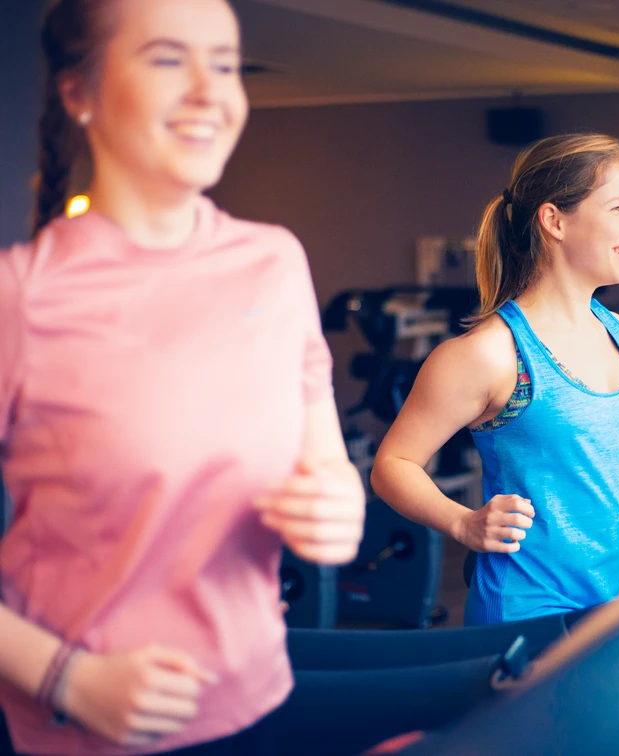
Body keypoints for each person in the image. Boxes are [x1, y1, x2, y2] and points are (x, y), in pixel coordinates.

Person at [0, 1, 365, 754]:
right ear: (79, 92)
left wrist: (339, 502)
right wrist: (68, 679)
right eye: (169, 59)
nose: (209, 90)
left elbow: (319, 452)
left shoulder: (274, 260)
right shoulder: (23, 296)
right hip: (91, 724)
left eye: (226, 63)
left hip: (262, 694)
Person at [370, 134, 619, 626]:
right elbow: (393, 463)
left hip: (607, 613)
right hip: (527, 620)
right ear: (554, 220)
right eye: (618, 208)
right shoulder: (492, 353)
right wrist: (462, 522)